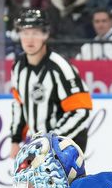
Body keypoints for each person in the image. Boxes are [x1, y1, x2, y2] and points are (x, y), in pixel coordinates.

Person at [9, 9, 92, 160]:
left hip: (66, 147)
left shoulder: (61, 67)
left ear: (45, 35)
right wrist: (15, 139)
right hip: (40, 147)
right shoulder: (18, 67)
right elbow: (19, 104)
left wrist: (52, 140)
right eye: (25, 33)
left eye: (35, 33)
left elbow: (81, 110)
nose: (30, 39)